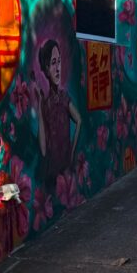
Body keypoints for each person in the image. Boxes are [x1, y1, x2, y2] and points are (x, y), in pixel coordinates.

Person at [34, 39, 81, 185]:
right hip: (51, 173)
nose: (58, 68)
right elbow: (43, 149)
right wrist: (40, 106)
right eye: (53, 63)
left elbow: (79, 120)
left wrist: (72, 151)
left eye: (59, 61)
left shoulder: (64, 98)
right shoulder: (45, 104)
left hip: (66, 169)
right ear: (46, 69)